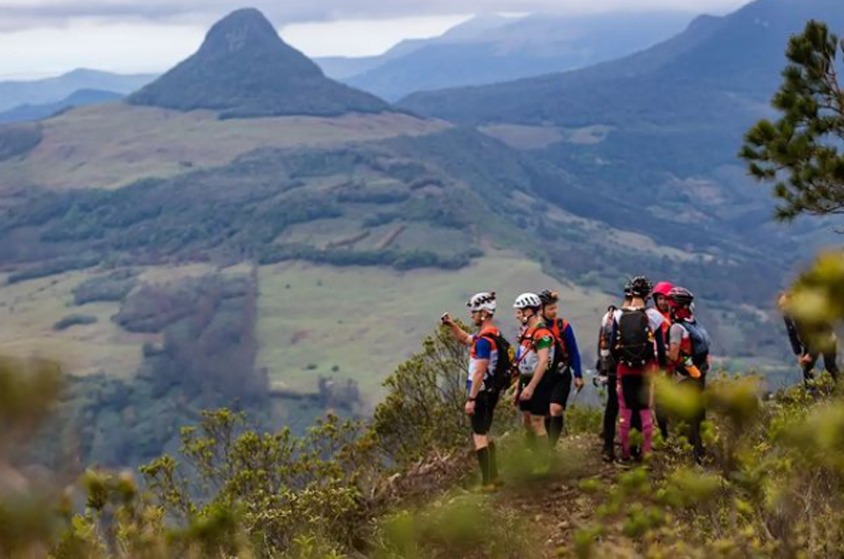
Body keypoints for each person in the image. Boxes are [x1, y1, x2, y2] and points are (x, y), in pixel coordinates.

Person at [441, 291, 503, 490]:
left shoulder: (484, 341)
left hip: (481, 393)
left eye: (474, 312)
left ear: (484, 313)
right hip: (490, 391)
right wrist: (452, 325)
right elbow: (465, 339)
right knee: (485, 432)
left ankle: (487, 482)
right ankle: (495, 477)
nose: (471, 315)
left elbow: (479, 371)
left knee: (479, 435)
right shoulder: (490, 335)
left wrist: (471, 398)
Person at [610, 276, 666, 463]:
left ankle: (626, 454)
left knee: (626, 411)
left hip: (624, 370)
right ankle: (646, 454)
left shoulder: (618, 315)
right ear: (649, 295)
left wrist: (621, 362)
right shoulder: (655, 317)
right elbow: (660, 348)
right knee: (644, 411)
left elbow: (612, 347)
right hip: (646, 371)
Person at [666, 286, 711, 464]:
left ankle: (687, 456)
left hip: (684, 377)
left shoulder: (677, 328)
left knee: (683, 417)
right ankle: (700, 453)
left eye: (670, 304)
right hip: (699, 375)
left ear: (676, 306)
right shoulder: (695, 325)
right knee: (698, 416)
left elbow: (674, 355)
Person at [513, 292, 557, 469]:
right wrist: (518, 387)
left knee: (537, 421)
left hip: (539, 382)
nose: (517, 315)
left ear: (529, 311)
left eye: (519, 311)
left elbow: (543, 361)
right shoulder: (527, 333)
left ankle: (543, 461)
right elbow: (523, 363)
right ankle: (531, 454)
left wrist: (531, 387)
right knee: (527, 421)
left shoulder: (542, 334)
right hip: (525, 379)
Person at [538, 290, 584, 450]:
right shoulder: (535, 329)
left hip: (561, 374)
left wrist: (578, 374)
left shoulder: (563, 326)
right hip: (543, 376)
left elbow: (573, 351)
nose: (553, 312)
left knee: (555, 409)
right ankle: (547, 446)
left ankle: (552, 445)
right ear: (541, 309)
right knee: (545, 412)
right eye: (550, 308)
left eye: (554, 308)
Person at [778, 291, 839, 384]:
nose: (783, 308)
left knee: (830, 366)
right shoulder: (787, 317)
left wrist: (810, 354)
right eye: (781, 306)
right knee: (807, 369)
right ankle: (811, 393)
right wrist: (798, 354)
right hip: (810, 343)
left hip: (826, 338)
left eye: (785, 305)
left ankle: (841, 386)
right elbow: (792, 335)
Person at [651, 281, 674, 441]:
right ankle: (663, 433)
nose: (662, 302)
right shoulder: (652, 316)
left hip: (674, 365)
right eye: (660, 299)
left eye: (665, 299)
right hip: (657, 365)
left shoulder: (675, 317)